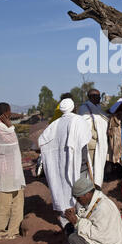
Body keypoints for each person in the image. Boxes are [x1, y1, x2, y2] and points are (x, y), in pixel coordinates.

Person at [38, 98, 92, 232]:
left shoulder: (54, 124)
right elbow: (85, 140)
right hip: (78, 165)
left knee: (65, 191)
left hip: (62, 165)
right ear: (74, 108)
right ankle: (80, 224)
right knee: (81, 193)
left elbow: (42, 141)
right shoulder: (79, 120)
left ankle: (66, 220)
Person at [0, 103, 26, 240]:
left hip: (14, 171)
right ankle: (0, 232)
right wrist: (10, 124)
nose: (11, 113)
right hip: (6, 172)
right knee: (4, 204)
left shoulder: (1, 126)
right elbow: (13, 141)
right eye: (9, 111)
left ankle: (13, 231)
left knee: (17, 201)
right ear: (5, 113)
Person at [78, 89, 109, 188]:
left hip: (100, 142)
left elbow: (103, 120)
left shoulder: (98, 108)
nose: (100, 98)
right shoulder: (84, 109)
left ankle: (96, 184)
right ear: (91, 97)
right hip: (90, 143)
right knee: (90, 167)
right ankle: (89, 187)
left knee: (98, 166)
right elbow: (85, 126)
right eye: (97, 96)